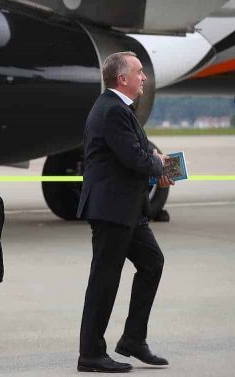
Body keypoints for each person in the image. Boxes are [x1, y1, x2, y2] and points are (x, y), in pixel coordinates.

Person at [76, 51, 174, 373]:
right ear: (123, 79)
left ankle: (132, 338)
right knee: (104, 281)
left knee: (152, 263)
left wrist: (158, 161)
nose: (144, 77)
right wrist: (156, 165)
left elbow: (142, 149)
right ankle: (90, 353)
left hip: (128, 210)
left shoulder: (121, 110)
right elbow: (133, 157)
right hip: (112, 209)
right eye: (139, 71)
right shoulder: (112, 110)